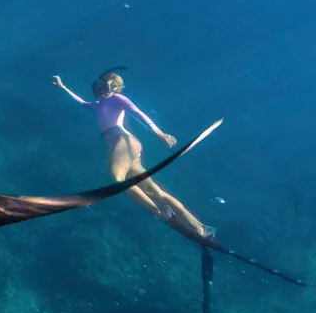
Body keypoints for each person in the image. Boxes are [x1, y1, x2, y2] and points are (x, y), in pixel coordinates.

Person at [52, 68, 212, 238]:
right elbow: (81, 102)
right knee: (155, 192)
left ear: (114, 88)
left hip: (123, 141)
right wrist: (63, 87)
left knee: (116, 180)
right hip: (127, 148)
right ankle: (200, 227)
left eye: (104, 86)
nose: (100, 91)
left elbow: (138, 113)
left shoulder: (117, 98)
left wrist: (158, 133)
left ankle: (158, 211)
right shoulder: (98, 106)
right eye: (97, 86)